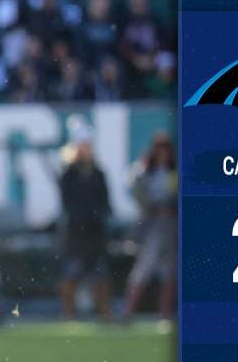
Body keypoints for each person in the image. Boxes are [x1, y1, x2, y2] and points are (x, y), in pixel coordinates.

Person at [58, 127, 113, 321]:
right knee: (71, 273)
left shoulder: (98, 173)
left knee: (100, 274)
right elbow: (67, 202)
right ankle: (68, 313)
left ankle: (105, 313)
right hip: (76, 231)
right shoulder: (69, 174)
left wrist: (99, 215)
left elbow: (105, 201)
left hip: (95, 230)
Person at [123, 132, 176, 319]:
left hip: (171, 225)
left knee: (170, 271)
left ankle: (165, 312)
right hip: (152, 224)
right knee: (143, 268)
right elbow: (136, 187)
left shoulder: (174, 170)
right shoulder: (146, 169)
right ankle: (128, 310)